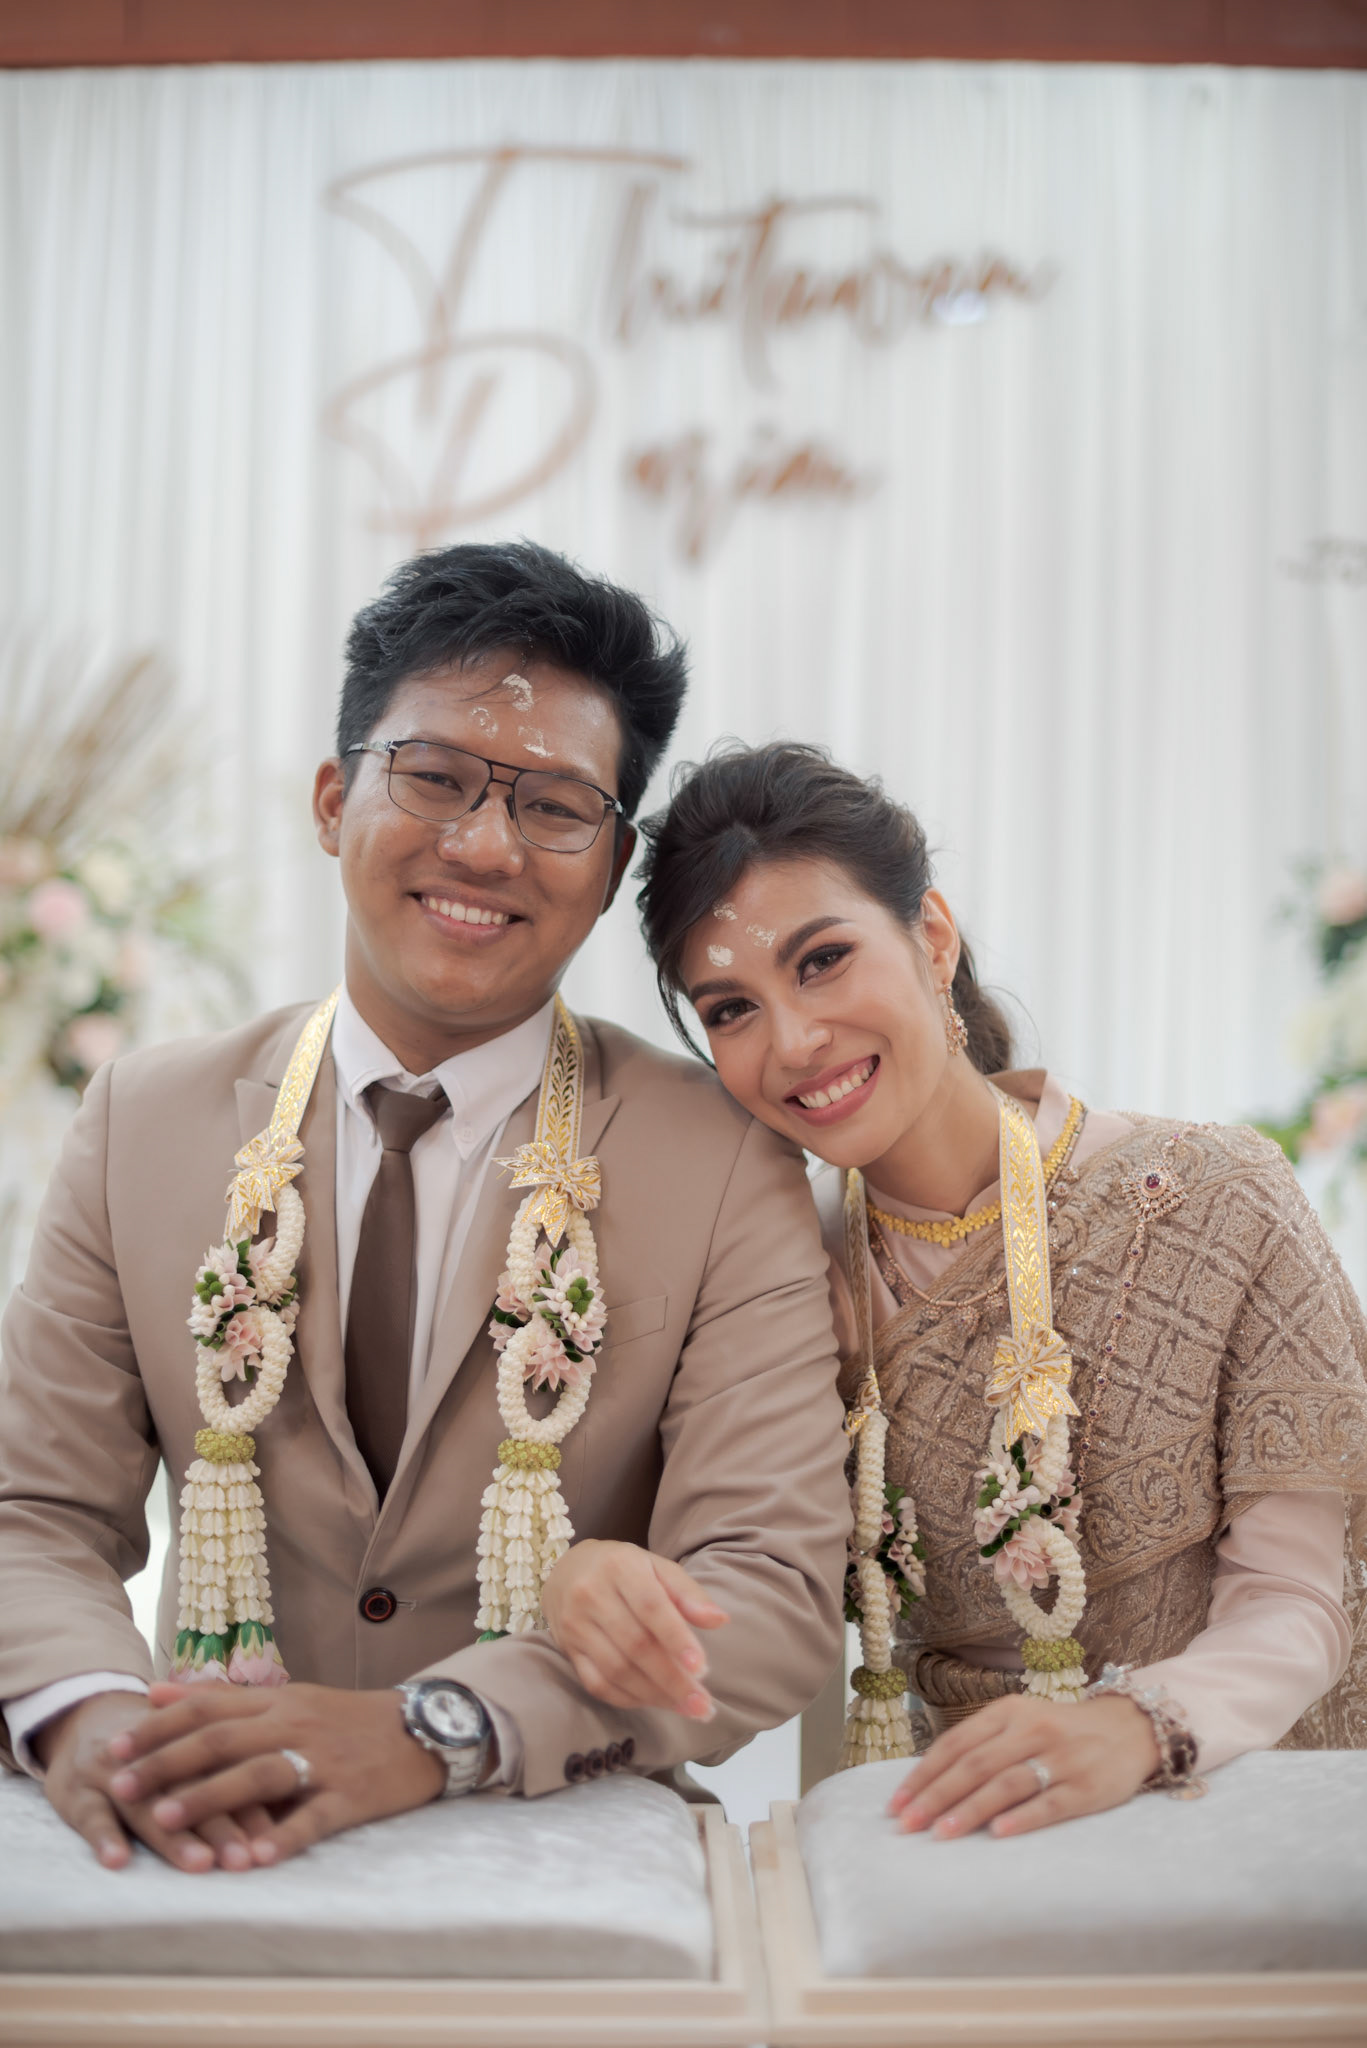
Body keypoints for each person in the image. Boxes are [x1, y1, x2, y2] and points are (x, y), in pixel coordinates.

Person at [0, 548, 850, 1873]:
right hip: (199, 1844)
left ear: (612, 863)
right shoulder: (141, 1124)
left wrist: (430, 1730)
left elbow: (771, 1591)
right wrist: (98, 1724)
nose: (484, 846)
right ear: (332, 798)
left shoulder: (723, 1159)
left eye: (554, 806)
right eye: (435, 777)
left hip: (550, 1860)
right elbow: (33, 1513)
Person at [636, 739, 1367, 1840]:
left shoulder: (1217, 1199)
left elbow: (1297, 1600)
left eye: (822, 959)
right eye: (729, 1008)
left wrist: (1133, 1728)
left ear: (931, 937)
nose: (793, 1041)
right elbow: (742, 1601)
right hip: (958, 1841)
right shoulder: (778, 1280)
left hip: (1238, 1820)